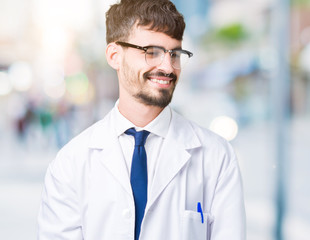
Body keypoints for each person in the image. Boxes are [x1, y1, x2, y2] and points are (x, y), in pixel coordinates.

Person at [37, 0, 246, 239]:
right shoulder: (70, 164)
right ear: (115, 55)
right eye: (152, 52)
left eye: (175, 53)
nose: (168, 67)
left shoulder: (216, 156)